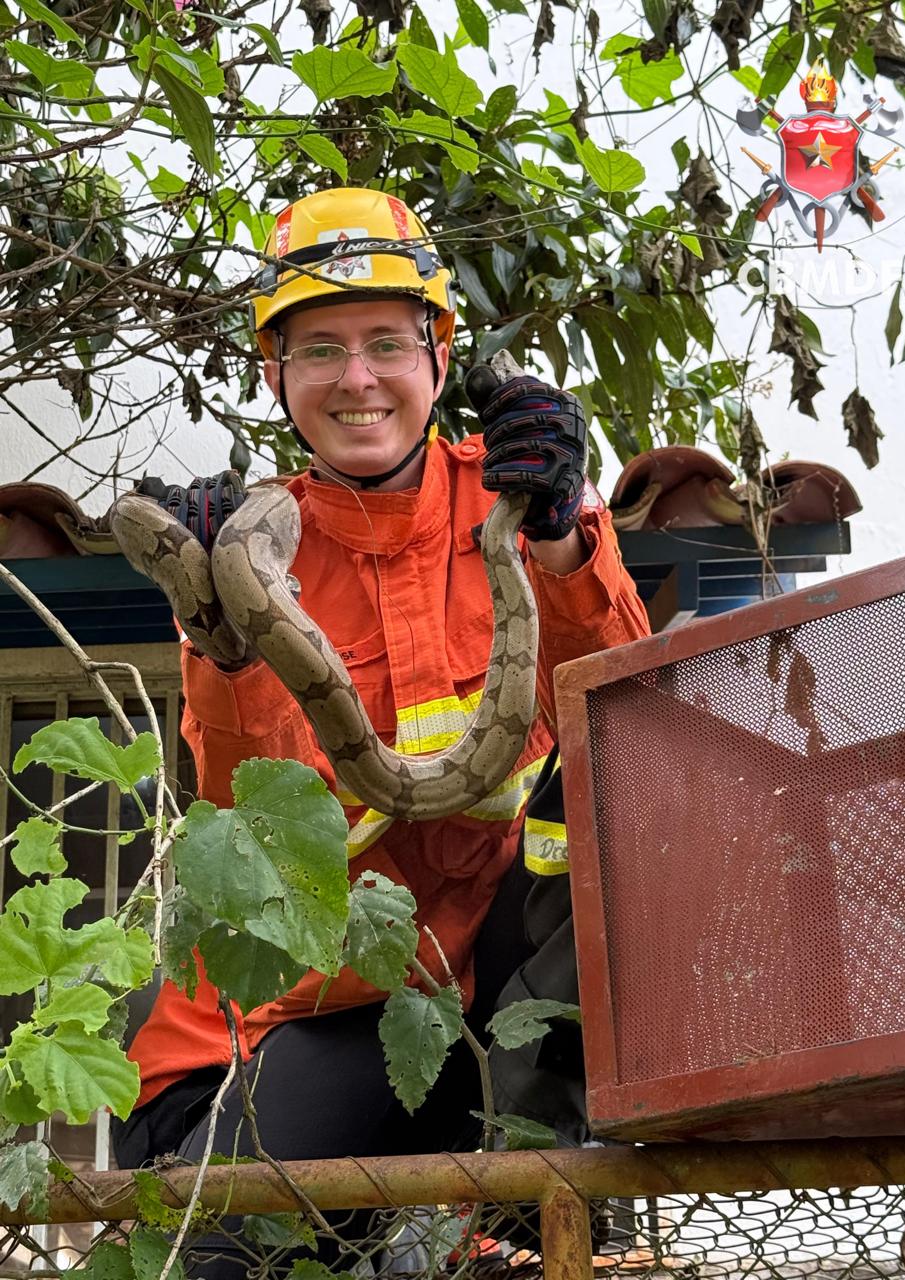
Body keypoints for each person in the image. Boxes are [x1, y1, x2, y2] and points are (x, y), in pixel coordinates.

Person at [111, 187, 650, 1272]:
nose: (357, 379)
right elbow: (252, 811)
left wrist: (560, 537)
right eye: (318, 350)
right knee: (229, 1252)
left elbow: (626, 710)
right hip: (304, 1015)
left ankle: (538, 1211)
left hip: (497, 992)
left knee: (601, 822)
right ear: (276, 377)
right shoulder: (252, 550)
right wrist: (222, 630)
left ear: (440, 354)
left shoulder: (520, 503)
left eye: (386, 343)